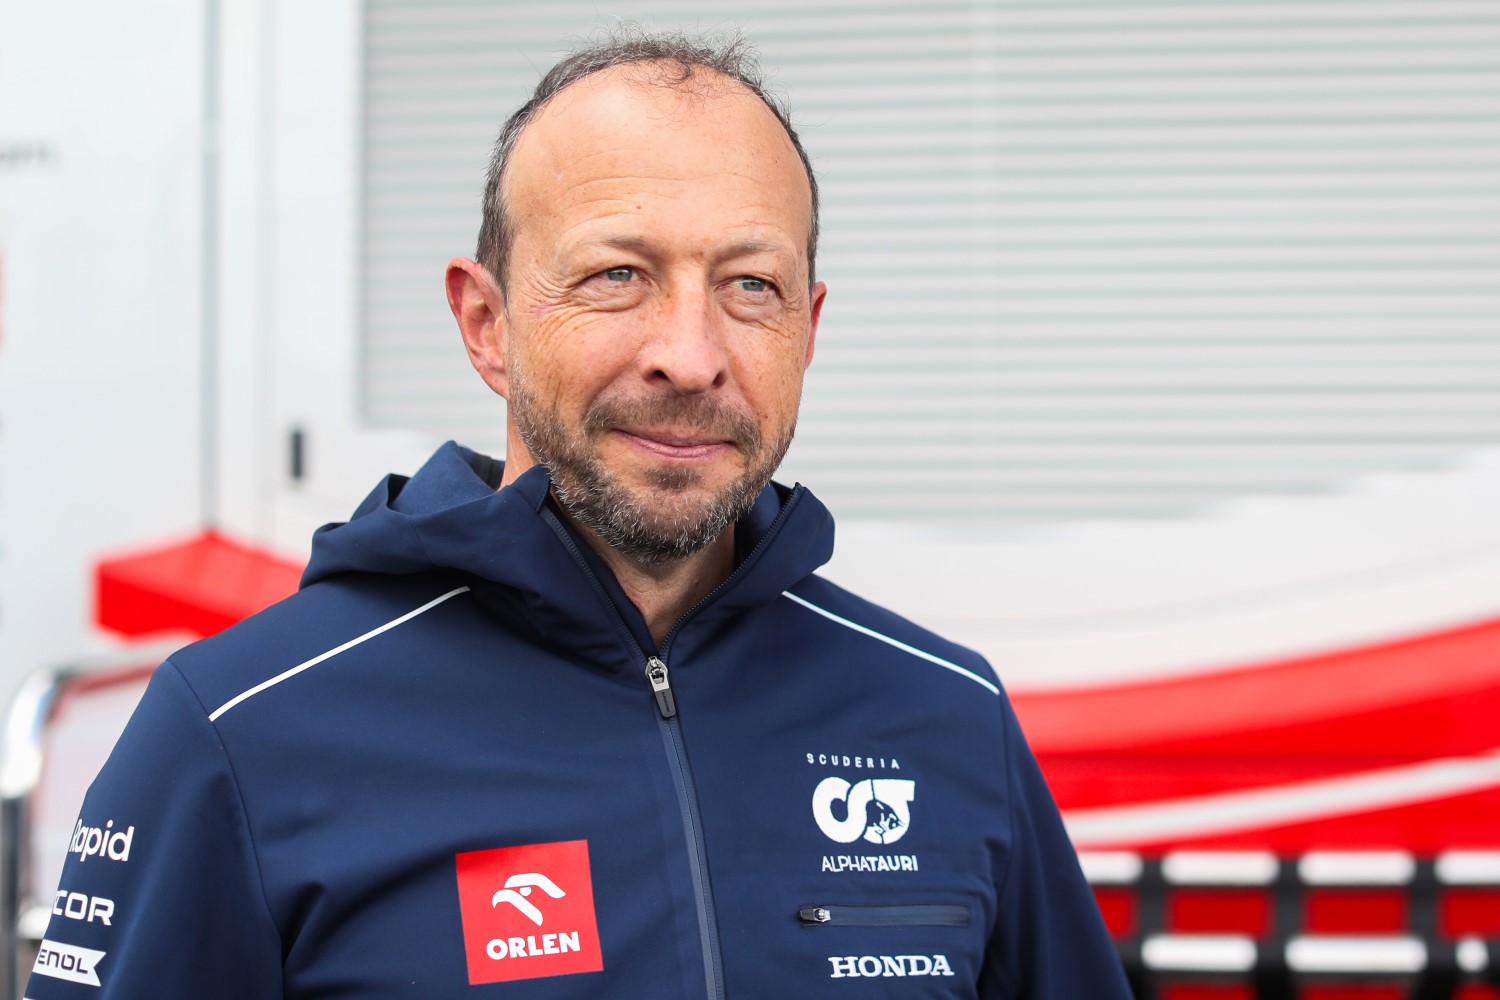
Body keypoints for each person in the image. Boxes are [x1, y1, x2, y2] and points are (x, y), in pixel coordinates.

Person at [26, 28, 1130, 999]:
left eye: (751, 286)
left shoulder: (944, 714)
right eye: (617, 275)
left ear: (810, 325)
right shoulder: (239, 733)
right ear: (487, 324)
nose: (690, 356)